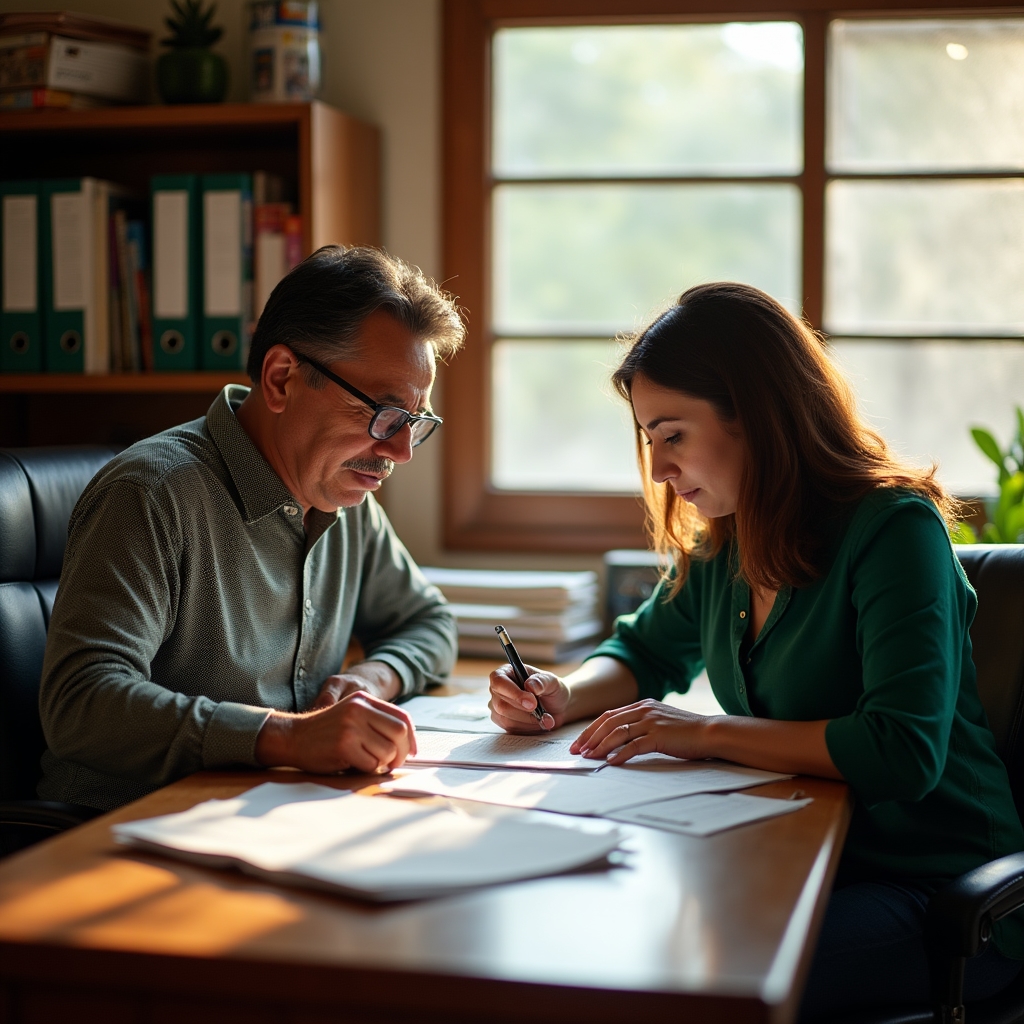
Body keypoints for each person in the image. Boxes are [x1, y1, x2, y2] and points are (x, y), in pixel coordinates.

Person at [487, 282, 1024, 1019]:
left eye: (673, 434)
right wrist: (561, 694)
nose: (661, 471)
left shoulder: (895, 531)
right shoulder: (729, 539)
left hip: (939, 892)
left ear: (759, 415)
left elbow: (902, 750)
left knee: (687, 978)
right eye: (650, 441)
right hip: (802, 859)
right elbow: (643, 649)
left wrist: (702, 733)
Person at [39, 245, 464, 811]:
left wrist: (371, 680)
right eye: (385, 414)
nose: (402, 451)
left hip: (270, 814)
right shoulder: (152, 494)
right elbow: (81, 702)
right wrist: (285, 736)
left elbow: (427, 621)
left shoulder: (347, 497)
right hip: (124, 834)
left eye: (415, 421)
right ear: (283, 378)